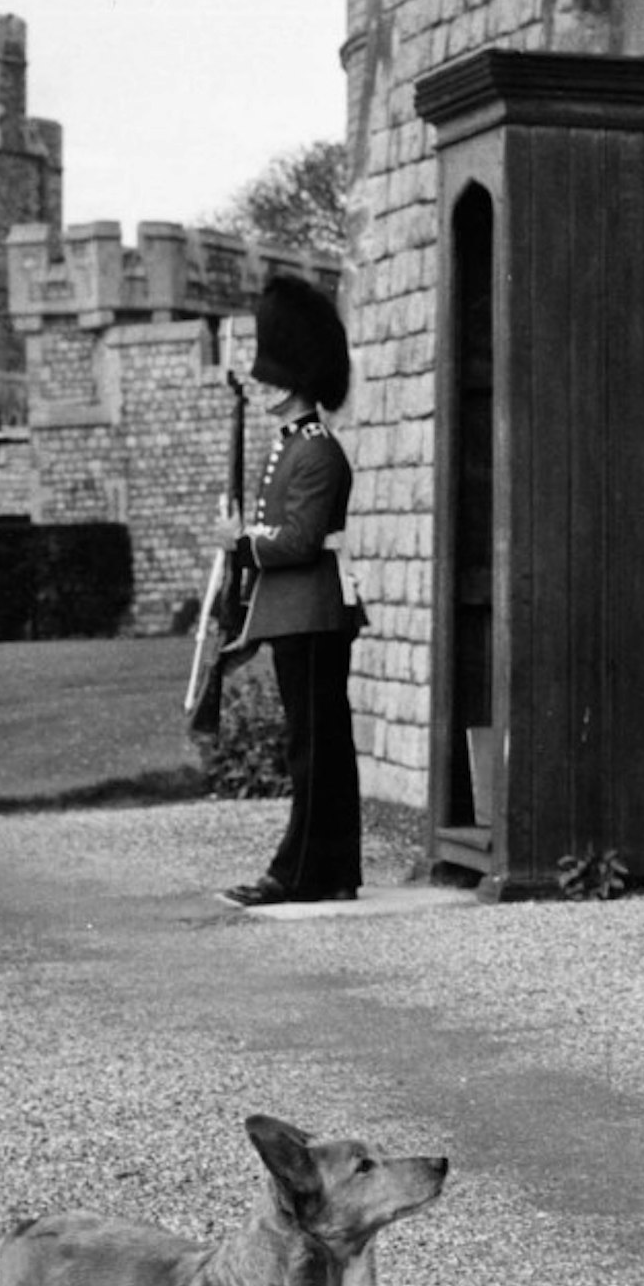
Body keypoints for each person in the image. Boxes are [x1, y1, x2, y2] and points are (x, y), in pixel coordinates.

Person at [217, 273, 366, 908]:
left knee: (315, 748)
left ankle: (302, 871)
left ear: (299, 379)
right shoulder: (291, 448)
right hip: (293, 611)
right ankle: (329, 869)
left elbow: (298, 540)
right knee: (313, 743)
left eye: (275, 375)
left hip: (312, 610)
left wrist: (241, 543)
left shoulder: (317, 452)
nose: (264, 384)